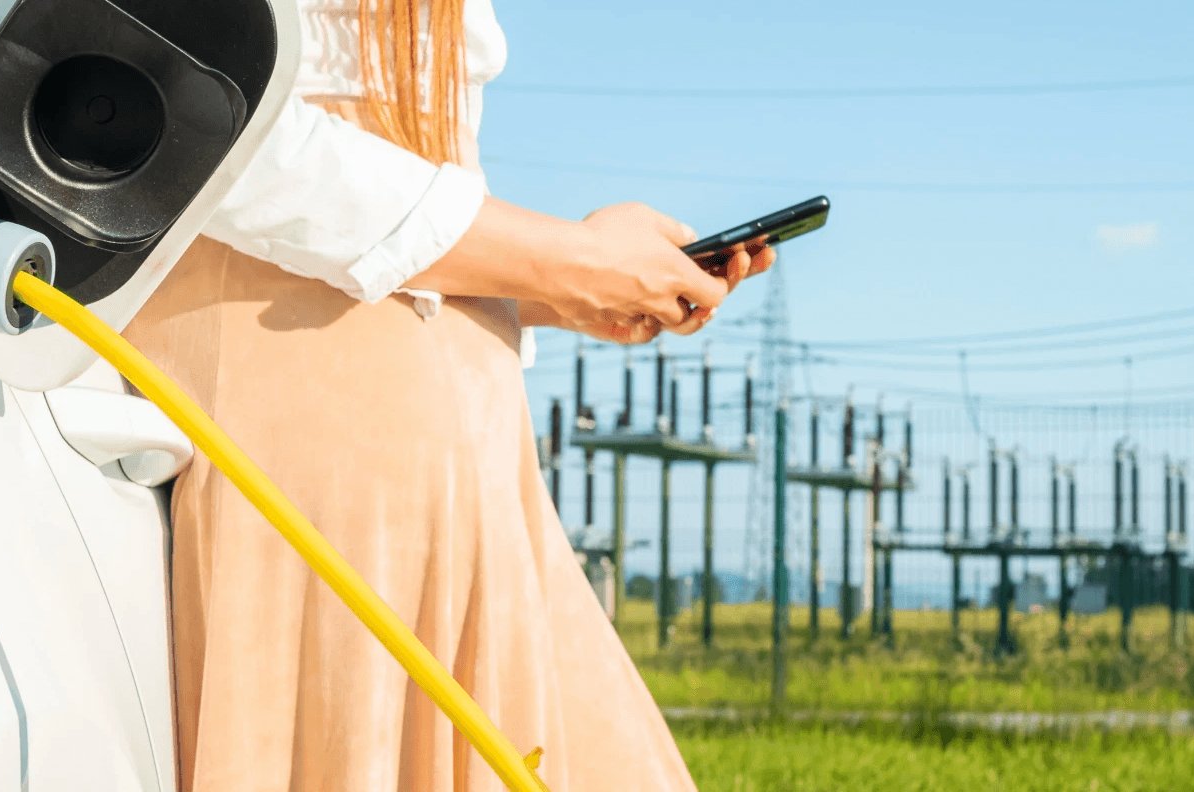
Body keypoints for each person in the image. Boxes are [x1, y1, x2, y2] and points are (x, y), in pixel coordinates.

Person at [122, 0, 774, 789]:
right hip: (312, 404)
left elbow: (411, 219)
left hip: (466, 418)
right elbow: (199, 125)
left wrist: (573, 283)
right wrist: (567, 261)